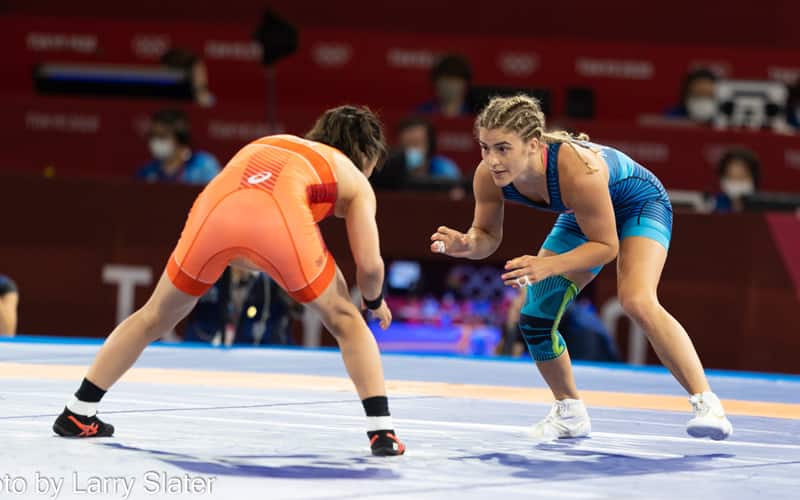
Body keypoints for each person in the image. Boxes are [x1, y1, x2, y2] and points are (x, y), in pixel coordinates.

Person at [53, 105, 406, 456]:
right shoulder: (355, 178)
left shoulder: (275, 141)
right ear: (367, 154)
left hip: (216, 213)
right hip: (277, 222)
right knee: (346, 319)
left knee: (154, 315)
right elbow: (371, 267)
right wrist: (373, 301)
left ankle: (78, 410)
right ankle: (382, 433)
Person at [431, 95, 732, 441]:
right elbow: (486, 235)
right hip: (583, 215)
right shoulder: (487, 175)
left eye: (502, 149)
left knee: (636, 299)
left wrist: (548, 265)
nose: (492, 160)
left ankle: (708, 404)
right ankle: (570, 412)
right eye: (484, 148)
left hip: (639, 203)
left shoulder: (577, 170)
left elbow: (606, 247)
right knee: (535, 316)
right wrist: (466, 245)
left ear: (532, 145)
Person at [136, 109, 221, 185]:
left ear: (180, 137)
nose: (156, 142)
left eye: (162, 136)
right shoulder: (147, 171)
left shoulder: (204, 165)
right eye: (153, 136)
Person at [711, 148, 760, 213]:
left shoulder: (764, 207)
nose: (736, 182)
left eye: (741, 177)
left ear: (753, 178)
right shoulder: (711, 205)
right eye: (730, 177)